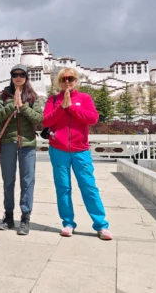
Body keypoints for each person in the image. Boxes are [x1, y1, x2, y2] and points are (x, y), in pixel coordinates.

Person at [42, 67, 113, 240]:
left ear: (76, 81)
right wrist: (62, 108)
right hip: (58, 149)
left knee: (89, 187)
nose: (67, 82)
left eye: (70, 79)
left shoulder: (84, 98)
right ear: (59, 82)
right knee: (63, 187)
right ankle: (67, 223)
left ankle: (101, 225)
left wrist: (71, 108)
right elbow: (46, 120)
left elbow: (93, 118)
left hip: (81, 150)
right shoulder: (53, 100)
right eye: (64, 79)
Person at [0, 64, 43, 235]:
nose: (18, 77)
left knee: (27, 181)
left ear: (26, 77)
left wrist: (23, 106)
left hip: (27, 144)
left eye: (22, 75)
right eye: (15, 75)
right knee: (8, 180)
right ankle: (8, 216)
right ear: (11, 77)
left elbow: (39, 119)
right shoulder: (4, 95)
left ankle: (25, 216)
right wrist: (12, 106)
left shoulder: (33, 97)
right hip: (8, 142)